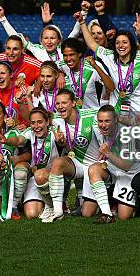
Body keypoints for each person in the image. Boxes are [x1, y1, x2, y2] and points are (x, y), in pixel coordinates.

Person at [77, 12, 140, 117]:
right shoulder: (110, 57)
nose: (121, 46)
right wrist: (82, 22)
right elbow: (92, 44)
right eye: (117, 43)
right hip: (116, 116)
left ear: (131, 44)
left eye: (125, 42)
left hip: (139, 114)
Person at [45, 90, 99, 222]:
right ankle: (58, 211)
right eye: (57, 103)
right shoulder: (56, 122)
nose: (60, 106)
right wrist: (61, 142)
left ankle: (103, 200)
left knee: (87, 213)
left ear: (74, 103)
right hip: (78, 163)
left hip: (96, 166)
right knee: (58, 163)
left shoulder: (91, 115)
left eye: (64, 102)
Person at [0, 106, 61, 219]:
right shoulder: (29, 132)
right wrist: (7, 141)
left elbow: (62, 144)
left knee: (41, 175)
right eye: (33, 123)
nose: (36, 126)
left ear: (47, 122)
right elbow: (18, 140)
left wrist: (61, 141)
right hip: (35, 177)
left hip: (52, 179)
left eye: (40, 122)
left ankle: (51, 204)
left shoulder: (54, 133)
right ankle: (14, 206)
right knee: (31, 214)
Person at [84, 105, 134, 223]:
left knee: (124, 215)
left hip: (129, 174)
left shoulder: (127, 134)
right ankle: (107, 213)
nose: (103, 125)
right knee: (86, 212)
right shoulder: (97, 130)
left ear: (116, 120)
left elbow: (127, 166)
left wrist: (108, 153)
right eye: (100, 121)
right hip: (111, 168)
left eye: (107, 121)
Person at [57, 38, 115, 109]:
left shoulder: (92, 65)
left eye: (71, 54)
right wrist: (60, 74)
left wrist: (95, 66)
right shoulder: (63, 65)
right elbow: (49, 67)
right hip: (75, 116)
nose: (68, 59)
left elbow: (111, 87)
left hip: (94, 114)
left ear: (79, 54)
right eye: (65, 55)